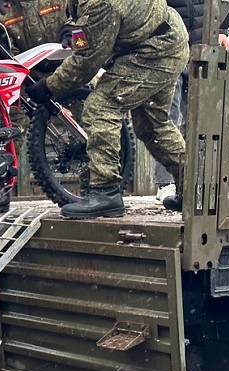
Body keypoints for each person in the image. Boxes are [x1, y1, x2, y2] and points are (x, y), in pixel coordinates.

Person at [27, 0, 190, 218]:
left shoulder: (100, 3)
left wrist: (49, 86)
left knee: (101, 107)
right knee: (152, 125)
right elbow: (82, 22)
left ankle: (106, 193)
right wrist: (71, 27)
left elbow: (86, 63)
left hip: (155, 49)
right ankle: (193, 188)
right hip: (165, 39)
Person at [154, 0, 229, 205]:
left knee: (198, 120)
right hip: (167, 48)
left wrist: (221, 29)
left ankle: (195, 182)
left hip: (202, 49)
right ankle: (166, 183)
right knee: (166, 117)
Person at [0, 1, 70, 204]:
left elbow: (82, 14)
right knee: (8, 127)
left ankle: (97, 188)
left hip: (68, 68)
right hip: (26, 75)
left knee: (90, 122)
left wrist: (72, 30)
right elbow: (4, 48)